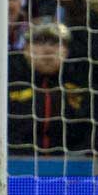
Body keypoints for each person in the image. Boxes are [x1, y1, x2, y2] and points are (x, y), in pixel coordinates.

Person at [8, 19, 91, 154]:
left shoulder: (82, 86)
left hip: (70, 169)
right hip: (16, 167)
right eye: (39, 41)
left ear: (66, 51)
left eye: (55, 42)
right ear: (25, 49)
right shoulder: (8, 83)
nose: (48, 49)